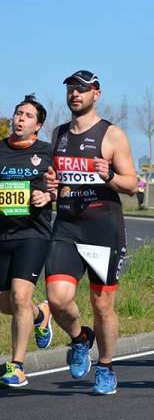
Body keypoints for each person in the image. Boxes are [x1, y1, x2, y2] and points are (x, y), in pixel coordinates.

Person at [44, 70, 137, 395]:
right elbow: (54, 179)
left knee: (102, 305)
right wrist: (51, 186)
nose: (75, 95)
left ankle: (107, 367)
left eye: (81, 90)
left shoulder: (112, 135)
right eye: (71, 89)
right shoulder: (58, 135)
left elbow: (132, 184)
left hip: (103, 229)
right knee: (57, 299)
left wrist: (109, 174)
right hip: (68, 224)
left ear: (96, 94)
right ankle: (80, 338)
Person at [0, 95, 54, 388]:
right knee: (7, 303)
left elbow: (62, 185)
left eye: (27, 115)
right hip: (2, 233)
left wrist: (49, 195)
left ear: (38, 125)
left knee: (20, 295)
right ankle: (40, 314)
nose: (20, 119)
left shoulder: (47, 152)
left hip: (33, 233)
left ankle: (17, 366)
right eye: (17, 113)